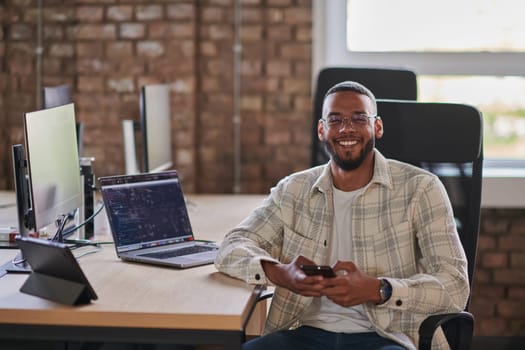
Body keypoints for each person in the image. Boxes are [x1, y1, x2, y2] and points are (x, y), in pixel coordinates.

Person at [214, 81, 469, 350]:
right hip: (303, 332)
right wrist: (281, 274)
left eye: (359, 118)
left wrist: (379, 289)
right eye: (336, 120)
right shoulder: (294, 189)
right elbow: (230, 247)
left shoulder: (421, 188)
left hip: (387, 336)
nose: (347, 128)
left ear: (377, 127)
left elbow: (456, 286)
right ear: (322, 130)